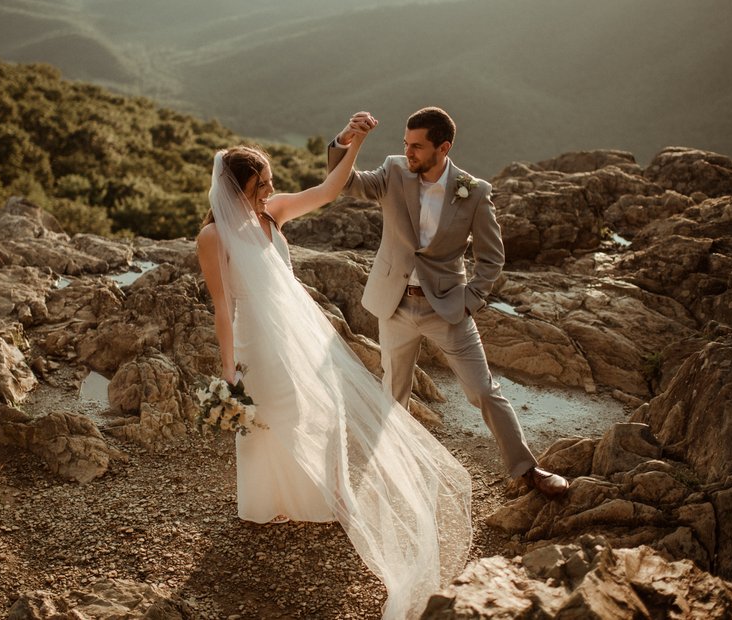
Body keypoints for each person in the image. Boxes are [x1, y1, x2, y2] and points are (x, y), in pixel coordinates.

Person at [196, 135, 472, 620]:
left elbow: (327, 189)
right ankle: (265, 502)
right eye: (261, 184)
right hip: (254, 340)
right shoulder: (213, 237)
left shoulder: (272, 214)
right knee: (268, 416)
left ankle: (327, 496)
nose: (270, 189)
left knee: (325, 409)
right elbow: (222, 308)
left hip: (299, 332)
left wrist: (354, 141)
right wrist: (226, 367)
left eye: (270, 182)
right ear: (238, 187)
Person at [330, 107, 569, 500]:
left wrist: (470, 300)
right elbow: (348, 184)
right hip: (395, 305)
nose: (408, 152)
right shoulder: (393, 170)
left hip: (449, 309)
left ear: (444, 147)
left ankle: (527, 469)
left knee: (483, 391)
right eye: (406, 144)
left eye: (417, 147)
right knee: (393, 393)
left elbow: (492, 258)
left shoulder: (474, 192)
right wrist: (348, 140)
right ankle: (381, 473)